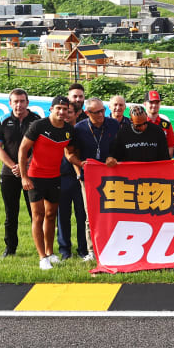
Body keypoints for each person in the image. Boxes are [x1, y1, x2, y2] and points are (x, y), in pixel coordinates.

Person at [18, 95, 80, 270]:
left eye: (65, 109)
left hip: (55, 177)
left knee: (51, 215)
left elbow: (70, 153)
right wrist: (24, 177)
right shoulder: (39, 126)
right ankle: (42, 257)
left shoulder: (69, 130)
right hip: (35, 177)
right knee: (38, 216)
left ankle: (50, 252)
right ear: (51, 109)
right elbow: (23, 150)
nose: (61, 112)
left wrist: (82, 165)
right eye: (58, 108)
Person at [70, 97, 119, 262]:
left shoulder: (113, 124)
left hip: (112, 176)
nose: (101, 114)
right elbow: (70, 153)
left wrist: (113, 157)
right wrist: (80, 165)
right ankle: (92, 250)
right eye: (96, 112)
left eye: (103, 110)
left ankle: (114, 247)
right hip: (89, 178)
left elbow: (121, 147)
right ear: (87, 113)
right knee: (90, 215)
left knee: (114, 213)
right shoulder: (79, 129)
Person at [0, 88, 39, 258]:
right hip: (9, 173)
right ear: (10, 103)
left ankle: (41, 248)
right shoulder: (3, 120)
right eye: (15, 101)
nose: (19, 105)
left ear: (27, 102)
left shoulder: (36, 120)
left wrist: (25, 164)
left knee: (35, 213)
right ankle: (10, 249)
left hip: (32, 172)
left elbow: (40, 147)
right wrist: (14, 166)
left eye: (22, 101)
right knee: (10, 214)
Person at [56, 101, 86, 260]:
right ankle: (64, 250)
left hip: (80, 178)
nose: (66, 114)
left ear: (76, 114)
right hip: (61, 178)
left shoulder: (82, 131)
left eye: (69, 112)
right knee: (62, 216)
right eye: (64, 111)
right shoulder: (55, 130)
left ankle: (83, 249)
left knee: (82, 215)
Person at [107, 105, 171, 164]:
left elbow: (165, 157)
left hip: (153, 172)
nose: (143, 127)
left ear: (146, 116)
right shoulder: (123, 133)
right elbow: (115, 155)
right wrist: (111, 160)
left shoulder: (158, 131)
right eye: (138, 125)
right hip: (131, 173)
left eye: (145, 123)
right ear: (131, 120)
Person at [144, 90, 174, 157]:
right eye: (151, 102)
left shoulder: (166, 124)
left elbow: (171, 146)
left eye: (157, 102)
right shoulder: (139, 123)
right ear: (145, 104)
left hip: (161, 163)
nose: (154, 105)